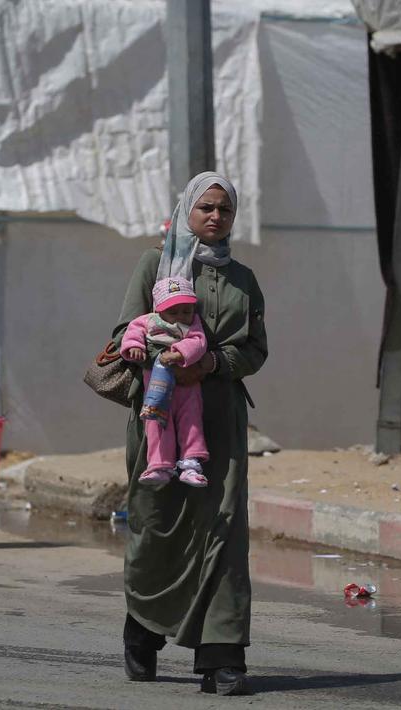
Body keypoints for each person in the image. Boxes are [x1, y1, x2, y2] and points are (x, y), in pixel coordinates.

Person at [112, 172, 267, 696]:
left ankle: (221, 656)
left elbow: (255, 349)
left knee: (222, 530)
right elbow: (123, 334)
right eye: (206, 207)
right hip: (157, 417)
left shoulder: (243, 279)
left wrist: (213, 363)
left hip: (217, 420)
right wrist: (166, 359)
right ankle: (143, 631)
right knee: (156, 524)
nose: (216, 217)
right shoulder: (154, 265)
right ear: (187, 210)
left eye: (225, 209)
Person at [121, 275, 210, 488]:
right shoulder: (148, 321)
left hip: (187, 386)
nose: (180, 316)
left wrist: (179, 353)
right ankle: (160, 465)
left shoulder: (193, 324)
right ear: (159, 309)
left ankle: (191, 463)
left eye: (186, 311)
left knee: (191, 420)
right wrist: (135, 347)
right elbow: (132, 333)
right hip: (156, 386)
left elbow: (199, 342)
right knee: (156, 421)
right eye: (173, 312)